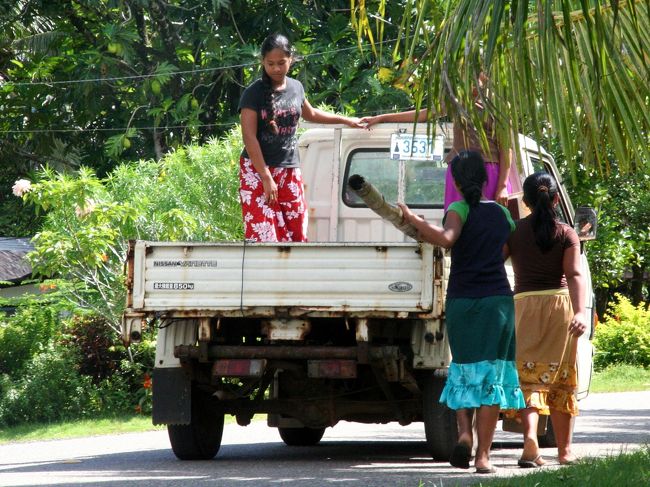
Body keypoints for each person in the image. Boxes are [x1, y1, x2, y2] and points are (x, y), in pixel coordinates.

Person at [398, 151, 525, 474]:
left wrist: (413, 219)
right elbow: (507, 250)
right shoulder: (500, 214)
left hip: (462, 302)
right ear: (484, 179)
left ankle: (465, 433)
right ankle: (483, 456)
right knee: (492, 375)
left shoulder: (458, 209)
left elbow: (447, 240)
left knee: (465, 368)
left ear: (455, 181)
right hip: (497, 301)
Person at [239, 33, 363, 242]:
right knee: (264, 236)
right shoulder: (253, 93)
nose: (276, 68)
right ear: (262, 62)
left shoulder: (296, 87)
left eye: (281, 63)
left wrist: (346, 120)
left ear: (291, 59)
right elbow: (249, 138)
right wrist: (266, 177)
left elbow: (312, 114)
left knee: (297, 231)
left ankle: (293, 274)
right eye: (271, 64)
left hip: (288, 169)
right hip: (257, 171)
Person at [505, 172, 587, 467]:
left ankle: (531, 440)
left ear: (525, 202)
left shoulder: (513, 230)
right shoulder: (567, 233)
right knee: (561, 379)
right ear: (555, 199)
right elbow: (575, 274)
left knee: (528, 379)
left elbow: (494, 260)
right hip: (558, 308)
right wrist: (579, 312)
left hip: (523, 307)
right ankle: (564, 452)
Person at [360, 74, 513, 210]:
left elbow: (507, 149)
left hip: (488, 171)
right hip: (458, 171)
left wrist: (502, 186)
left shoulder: (498, 106)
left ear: (487, 75)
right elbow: (422, 115)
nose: (470, 76)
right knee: (459, 223)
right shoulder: (456, 101)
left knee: (490, 225)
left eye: (476, 71)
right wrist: (382, 117)